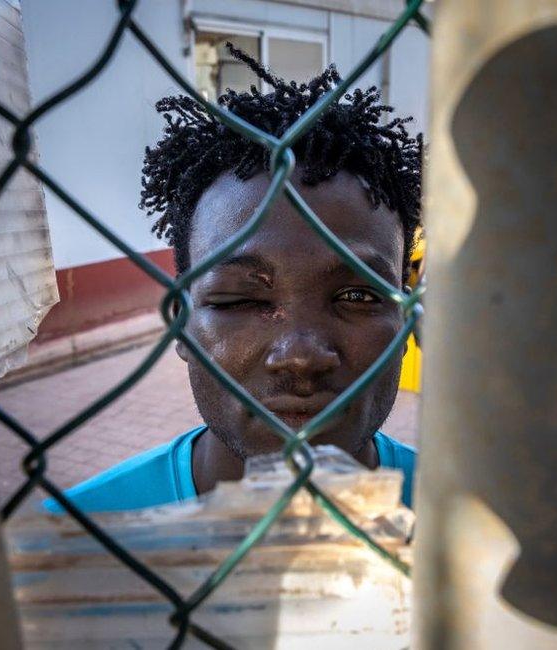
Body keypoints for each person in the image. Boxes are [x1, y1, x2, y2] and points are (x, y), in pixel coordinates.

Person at [46, 47, 423, 513]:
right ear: (181, 321)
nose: (301, 356)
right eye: (239, 300)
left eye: (357, 294)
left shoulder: (479, 521)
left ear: (405, 320)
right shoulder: (81, 530)